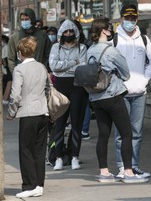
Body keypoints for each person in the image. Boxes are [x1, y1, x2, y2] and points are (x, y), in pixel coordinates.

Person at [88, 17, 148, 183]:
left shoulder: (89, 50)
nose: (111, 31)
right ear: (104, 31)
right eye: (109, 28)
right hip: (113, 95)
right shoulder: (111, 51)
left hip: (95, 98)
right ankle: (128, 172)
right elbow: (126, 73)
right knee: (126, 132)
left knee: (103, 134)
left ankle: (104, 172)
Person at [113, 4, 151, 178]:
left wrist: (144, 81)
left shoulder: (144, 40)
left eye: (133, 18)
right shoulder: (114, 39)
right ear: (121, 18)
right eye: (126, 18)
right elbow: (108, 64)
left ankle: (134, 165)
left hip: (139, 93)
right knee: (121, 133)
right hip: (121, 93)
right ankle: (123, 166)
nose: (129, 21)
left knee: (137, 132)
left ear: (137, 19)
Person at [6, 36, 49, 198]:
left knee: (25, 150)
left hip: (27, 113)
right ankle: (39, 184)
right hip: (42, 112)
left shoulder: (19, 69)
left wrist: (11, 112)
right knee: (39, 150)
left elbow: (15, 95)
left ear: (19, 53)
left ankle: (29, 184)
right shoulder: (41, 67)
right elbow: (48, 89)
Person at [49, 19, 87, 171]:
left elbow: (82, 67)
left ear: (76, 32)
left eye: (71, 31)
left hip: (77, 86)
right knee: (60, 122)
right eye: (66, 31)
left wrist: (64, 65)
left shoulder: (82, 47)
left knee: (76, 123)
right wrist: (73, 63)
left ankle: (75, 157)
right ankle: (58, 157)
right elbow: (53, 66)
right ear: (61, 33)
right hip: (60, 86)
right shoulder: (55, 48)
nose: (69, 33)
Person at [8, 8, 52, 73]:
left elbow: (48, 54)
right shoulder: (15, 37)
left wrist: (44, 68)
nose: (24, 21)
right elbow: (11, 59)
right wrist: (16, 73)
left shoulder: (42, 35)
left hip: (38, 73)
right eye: (22, 20)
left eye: (27, 19)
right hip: (22, 74)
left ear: (32, 19)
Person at [1, 35, 12, 104]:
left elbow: (5, 58)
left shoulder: (6, 47)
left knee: (9, 81)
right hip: (5, 67)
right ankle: (5, 97)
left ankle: (6, 98)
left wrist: (5, 65)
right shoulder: (4, 47)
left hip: (7, 67)